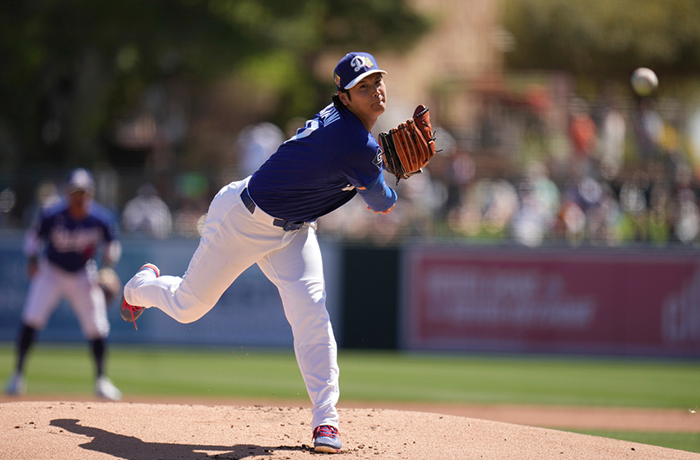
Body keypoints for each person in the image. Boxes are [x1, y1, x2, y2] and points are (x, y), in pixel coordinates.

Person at [120, 51, 397, 454]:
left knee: (311, 313)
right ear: (343, 97)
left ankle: (326, 421)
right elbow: (382, 202)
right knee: (187, 306)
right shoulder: (353, 141)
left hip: (295, 229)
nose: (375, 91)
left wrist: (379, 162)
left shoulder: (351, 132)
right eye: (363, 87)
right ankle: (139, 287)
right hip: (242, 221)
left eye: (376, 81)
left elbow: (362, 170)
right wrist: (390, 170)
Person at [5, 168, 124, 401]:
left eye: (83, 192)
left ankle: (101, 380)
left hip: (83, 273)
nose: (79, 197)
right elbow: (33, 238)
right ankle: (17, 376)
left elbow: (113, 244)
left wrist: (107, 267)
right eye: (75, 192)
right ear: (67, 194)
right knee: (32, 317)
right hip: (51, 271)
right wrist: (32, 260)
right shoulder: (52, 213)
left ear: (90, 193)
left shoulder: (100, 217)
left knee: (97, 326)